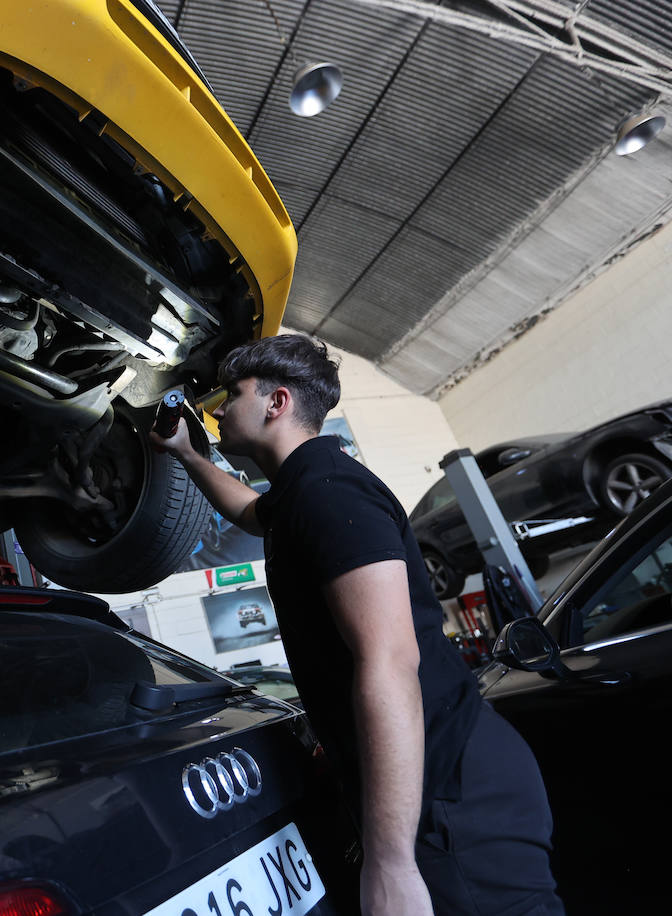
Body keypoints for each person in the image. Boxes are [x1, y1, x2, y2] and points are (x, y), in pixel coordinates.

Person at [151, 334, 562, 916]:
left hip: (450, 794)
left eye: (233, 394)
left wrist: (391, 862)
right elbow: (250, 512)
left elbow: (390, 662)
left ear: (277, 402)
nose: (218, 411)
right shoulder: (301, 490)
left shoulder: (328, 492)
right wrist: (189, 455)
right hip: (438, 781)